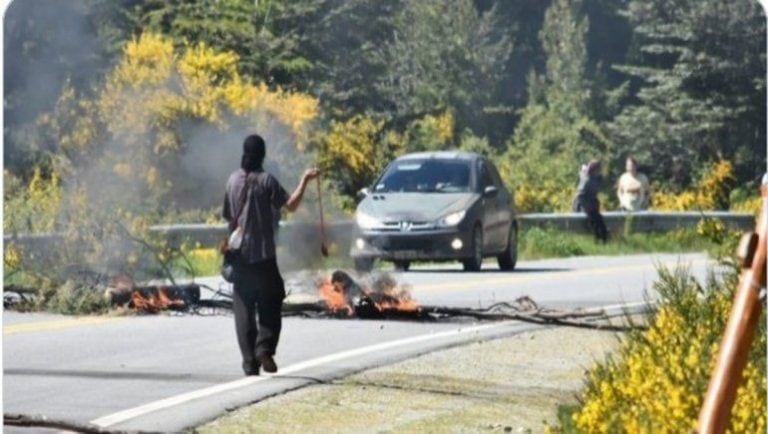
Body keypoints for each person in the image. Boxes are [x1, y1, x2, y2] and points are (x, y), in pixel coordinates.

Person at [223, 134, 320, 376]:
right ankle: (264, 348)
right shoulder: (267, 181)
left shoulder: (232, 181)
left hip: (239, 257)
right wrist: (305, 180)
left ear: (243, 153)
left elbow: (227, 216)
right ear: (262, 155)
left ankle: (249, 363)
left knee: (243, 308)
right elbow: (291, 205)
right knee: (272, 298)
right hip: (264, 256)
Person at [572, 159, 608, 242]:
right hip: (584, 205)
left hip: (592, 205)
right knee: (595, 221)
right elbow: (580, 194)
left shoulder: (596, 178)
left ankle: (602, 239)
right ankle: (598, 239)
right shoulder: (586, 179)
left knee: (599, 221)